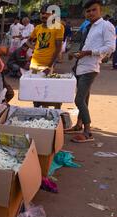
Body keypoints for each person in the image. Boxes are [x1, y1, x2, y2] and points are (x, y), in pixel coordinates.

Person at [65, 0, 115, 143]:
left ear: (101, 10)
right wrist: (77, 53)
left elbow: (110, 47)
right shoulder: (89, 26)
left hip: (91, 67)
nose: (91, 13)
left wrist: (89, 53)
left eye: (94, 10)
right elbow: (84, 45)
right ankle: (78, 125)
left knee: (79, 99)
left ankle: (88, 132)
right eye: (88, 11)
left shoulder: (106, 26)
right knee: (84, 98)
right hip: (81, 65)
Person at [28, 4, 64, 108]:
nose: (44, 15)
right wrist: (34, 48)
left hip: (47, 64)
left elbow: (58, 48)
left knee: (46, 90)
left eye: (47, 13)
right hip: (34, 64)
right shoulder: (37, 28)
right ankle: (36, 111)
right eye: (42, 13)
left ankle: (46, 112)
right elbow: (28, 41)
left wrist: (50, 65)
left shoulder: (58, 27)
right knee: (35, 90)